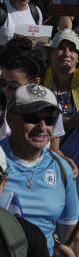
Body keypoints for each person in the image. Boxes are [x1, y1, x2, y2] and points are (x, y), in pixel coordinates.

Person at [0, 84, 78, 253]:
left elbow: (71, 239)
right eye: (32, 118)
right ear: (10, 119)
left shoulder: (63, 169)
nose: (42, 127)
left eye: (50, 120)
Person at [44, 30, 79, 161]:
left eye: (73, 50)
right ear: (49, 53)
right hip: (44, 162)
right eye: (60, 48)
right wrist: (72, 121)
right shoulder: (38, 82)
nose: (67, 54)